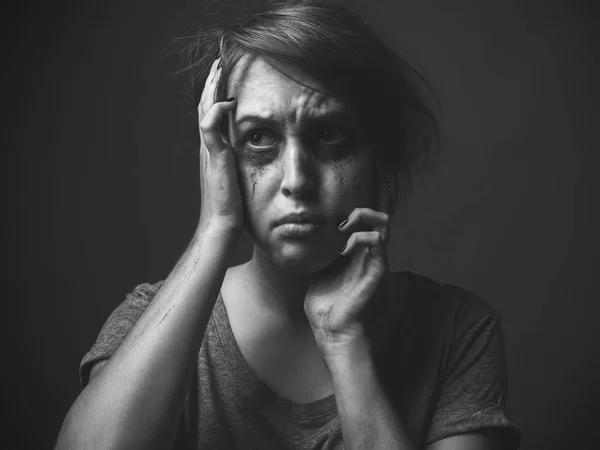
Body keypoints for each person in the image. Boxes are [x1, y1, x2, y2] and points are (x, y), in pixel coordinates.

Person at [56, 1, 521, 449]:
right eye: (259, 138)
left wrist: (345, 344)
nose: (297, 180)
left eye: (331, 135)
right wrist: (214, 227)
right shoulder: (151, 319)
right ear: (221, 155)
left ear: (381, 154)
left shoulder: (458, 332)